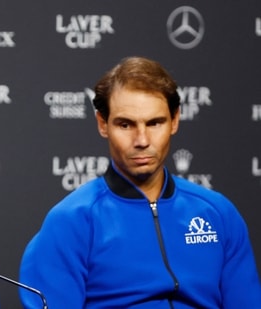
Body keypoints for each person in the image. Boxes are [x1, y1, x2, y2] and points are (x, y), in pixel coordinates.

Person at [19, 56, 261, 308]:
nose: (142, 139)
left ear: (175, 120)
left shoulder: (218, 213)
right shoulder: (71, 221)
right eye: (126, 125)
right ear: (103, 124)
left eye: (155, 123)